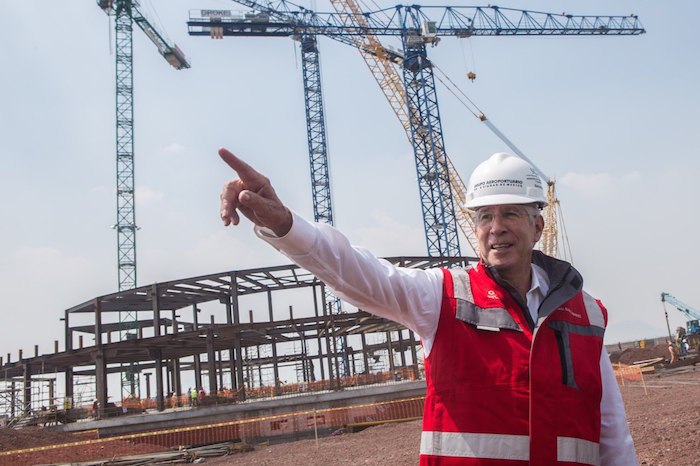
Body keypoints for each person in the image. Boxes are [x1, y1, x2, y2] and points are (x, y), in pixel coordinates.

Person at [217, 148, 637, 465]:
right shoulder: (444, 296)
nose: (495, 228)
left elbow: (612, 431)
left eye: (510, 213)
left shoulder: (585, 312)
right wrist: (283, 224)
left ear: (538, 226)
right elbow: (359, 274)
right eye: (484, 217)